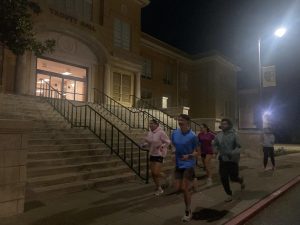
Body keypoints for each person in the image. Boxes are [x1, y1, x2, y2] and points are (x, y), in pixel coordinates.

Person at [171, 114, 200, 222]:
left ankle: (188, 211)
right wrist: (173, 152)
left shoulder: (193, 136)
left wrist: (189, 155)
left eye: (182, 120)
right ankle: (193, 182)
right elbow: (173, 145)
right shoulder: (174, 133)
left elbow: (198, 152)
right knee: (177, 188)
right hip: (179, 164)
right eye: (179, 119)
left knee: (185, 189)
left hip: (188, 164)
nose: (179, 121)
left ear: (187, 121)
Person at [213, 118, 245, 202]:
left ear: (229, 125)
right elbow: (215, 144)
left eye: (225, 124)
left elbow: (240, 147)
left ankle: (240, 180)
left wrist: (232, 152)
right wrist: (215, 151)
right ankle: (229, 194)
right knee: (223, 177)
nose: (223, 125)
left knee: (233, 178)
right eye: (222, 123)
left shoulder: (234, 134)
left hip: (232, 160)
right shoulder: (219, 135)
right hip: (223, 159)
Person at [142, 119, 171, 196]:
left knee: (156, 172)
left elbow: (168, 141)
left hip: (159, 154)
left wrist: (162, 146)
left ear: (156, 125)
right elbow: (150, 142)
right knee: (153, 173)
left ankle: (165, 178)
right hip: (152, 154)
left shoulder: (161, 132)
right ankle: (159, 188)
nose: (150, 125)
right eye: (150, 123)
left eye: (152, 124)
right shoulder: (150, 132)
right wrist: (145, 144)